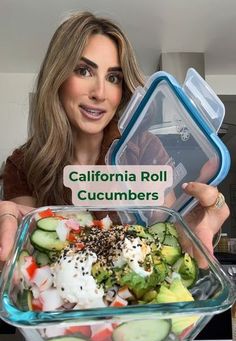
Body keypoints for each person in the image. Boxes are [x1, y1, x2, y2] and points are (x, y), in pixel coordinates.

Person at [0, 11, 230, 264]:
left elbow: (164, 234)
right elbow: (26, 261)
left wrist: (189, 230)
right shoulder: (22, 164)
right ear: (58, 76)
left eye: (113, 78)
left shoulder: (143, 148)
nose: (100, 93)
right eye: (83, 70)